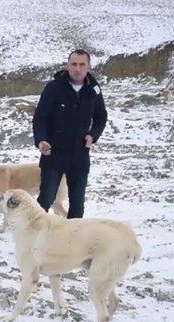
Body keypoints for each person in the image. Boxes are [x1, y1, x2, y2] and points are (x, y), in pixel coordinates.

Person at [32, 49, 107, 219]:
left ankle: (73, 241)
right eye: (74, 64)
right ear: (67, 66)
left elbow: (101, 116)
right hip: (53, 153)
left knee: (77, 203)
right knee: (46, 199)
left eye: (82, 64)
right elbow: (40, 118)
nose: (77, 69)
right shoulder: (54, 87)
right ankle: (34, 236)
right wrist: (41, 140)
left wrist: (93, 135)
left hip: (80, 154)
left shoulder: (94, 89)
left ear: (88, 67)